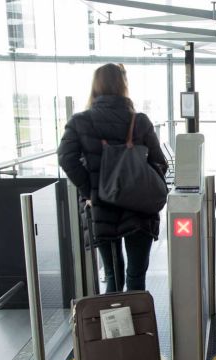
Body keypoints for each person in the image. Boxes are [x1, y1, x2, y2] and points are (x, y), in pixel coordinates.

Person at [58, 63, 168, 292]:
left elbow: (66, 158)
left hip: (101, 208)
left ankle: (114, 328)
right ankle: (138, 327)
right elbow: (160, 162)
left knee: (112, 276)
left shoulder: (80, 121)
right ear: (123, 85)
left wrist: (91, 190)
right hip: (139, 209)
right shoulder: (140, 121)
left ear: (95, 86)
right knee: (136, 276)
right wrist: (142, 183)